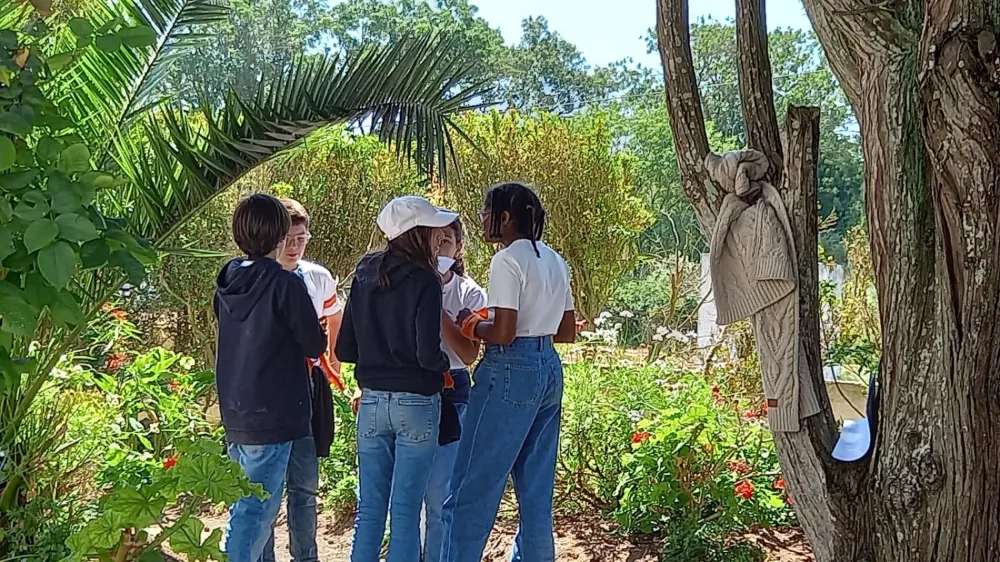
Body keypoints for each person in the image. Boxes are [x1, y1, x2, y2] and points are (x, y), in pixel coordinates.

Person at [441, 182, 577, 562]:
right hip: (548, 366)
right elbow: (566, 332)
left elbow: (503, 331)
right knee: (535, 492)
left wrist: (469, 324)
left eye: (486, 212)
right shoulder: (555, 260)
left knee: (471, 487)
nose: (482, 219)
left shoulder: (505, 260)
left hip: (509, 369)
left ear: (505, 217)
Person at [335, 195, 457, 562]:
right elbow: (426, 353)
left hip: (372, 401)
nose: (439, 235)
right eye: (434, 228)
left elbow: (345, 349)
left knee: (370, 510)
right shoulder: (425, 279)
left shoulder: (365, 271)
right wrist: (443, 368)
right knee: (405, 512)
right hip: (417, 402)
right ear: (419, 232)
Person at [214, 194, 327, 562]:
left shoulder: (228, 281)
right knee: (256, 512)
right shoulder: (285, 284)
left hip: (236, 410)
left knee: (244, 505)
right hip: (276, 412)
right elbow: (314, 342)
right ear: (280, 235)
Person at [261, 198, 344, 562]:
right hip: (270, 391)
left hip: (308, 386)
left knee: (305, 484)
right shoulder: (259, 278)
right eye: (289, 239)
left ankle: (306, 556)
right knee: (264, 488)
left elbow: (334, 314)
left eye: (301, 238)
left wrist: (334, 359)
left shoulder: (316, 276)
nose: (295, 247)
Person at [423, 217, 487, 562]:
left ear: (458, 247)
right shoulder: (403, 285)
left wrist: (436, 308)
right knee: (407, 490)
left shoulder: (471, 293)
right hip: (411, 388)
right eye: (432, 241)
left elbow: (468, 353)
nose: (438, 249)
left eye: (446, 241)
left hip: (453, 388)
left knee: (440, 491)